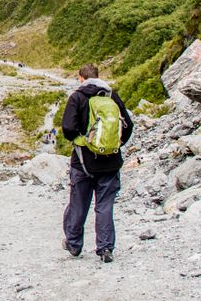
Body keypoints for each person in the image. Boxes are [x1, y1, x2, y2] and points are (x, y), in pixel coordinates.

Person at [61, 63, 133, 263]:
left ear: (81, 78)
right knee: (105, 206)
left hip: (82, 162)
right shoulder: (111, 96)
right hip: (110, 162)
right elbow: (128, 125)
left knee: (78, 203)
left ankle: (74, 244)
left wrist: (83, 142)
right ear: (98, 76)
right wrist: (114, 145)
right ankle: (105, 249)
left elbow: (68, 128)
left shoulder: (77, 97)